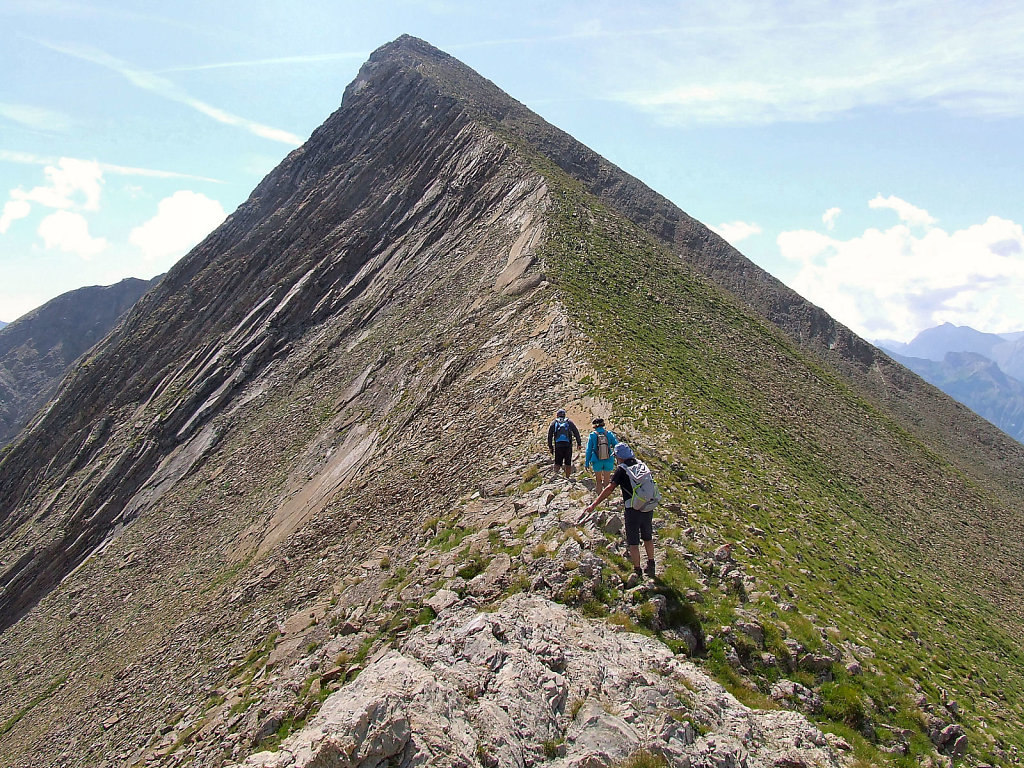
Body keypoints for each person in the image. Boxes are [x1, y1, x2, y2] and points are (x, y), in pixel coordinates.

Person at [583, 442, 656, 579]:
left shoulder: (622, 469)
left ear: (619, 457)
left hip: (632, 509)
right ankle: (651, 564)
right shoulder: (640, 464)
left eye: (616, 456)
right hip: (647, 506)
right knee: (647, 536)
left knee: (633, 541)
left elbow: (609, 489)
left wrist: (594, 504)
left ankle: (637, 570)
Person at [584, 418, 618, 494]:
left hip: (596, 460)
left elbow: (588, 450)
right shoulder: (609, 434)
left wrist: (587, 463)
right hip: (608, 459)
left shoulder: (592, 435)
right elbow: (617, 445)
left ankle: (599, 500)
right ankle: (606, 500)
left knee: (598, 481)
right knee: (606, 481)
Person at [547, 408, 582, 479]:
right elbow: (576, 432)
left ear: (557, 415)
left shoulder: (554, 423)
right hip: (568, 445)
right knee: (568, 462)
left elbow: (550, 435)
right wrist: (579, 443)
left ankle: (555, 476)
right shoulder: (569, 422)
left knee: (557, 462)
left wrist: (550, 447)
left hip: (558, 445)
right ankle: (567, 477)